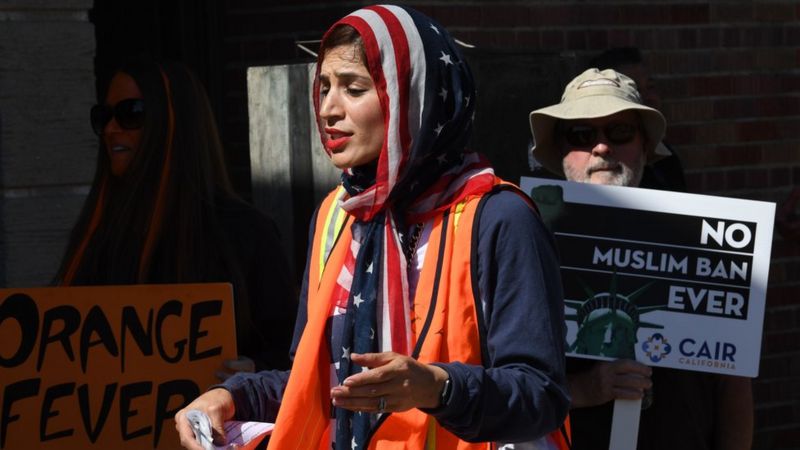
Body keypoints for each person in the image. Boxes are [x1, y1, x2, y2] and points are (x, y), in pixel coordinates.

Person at [175, 5, 570, 449]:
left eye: (354, 88)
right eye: (323, 86)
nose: (327, 108)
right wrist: (231, 397)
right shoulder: (336, 215)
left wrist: (438, 387)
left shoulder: (500, 218)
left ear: (415, 98)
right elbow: (316, 381)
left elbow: (541, 395)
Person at [528, 67, 754, 450]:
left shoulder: (706, 243)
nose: (602, 147)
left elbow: (733, 387)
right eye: (582, 135)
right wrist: (582, 390)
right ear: (561, 152)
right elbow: (499, 380)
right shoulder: (525, 239)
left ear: (646, 148)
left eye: (619, 132)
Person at [56, 59, 297, 375]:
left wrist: (253, 371)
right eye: (103, 117)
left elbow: (292, 354)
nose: (111, 129)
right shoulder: (98, 233)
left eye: (132, 114)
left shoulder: (246, 232)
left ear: (175, 125)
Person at [587, 47, 687, 192]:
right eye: (635, 91)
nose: (650, 98)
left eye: (650, 87)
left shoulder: (666, 158)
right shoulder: (604, 167)